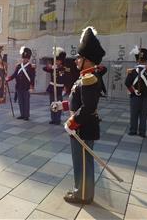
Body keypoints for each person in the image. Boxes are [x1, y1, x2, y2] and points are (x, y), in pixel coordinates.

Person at [53, 26, 105, 204]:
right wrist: (63, 105)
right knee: (82, 161)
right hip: (82, 126)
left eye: (79, 58)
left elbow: (88, 107)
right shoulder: (85, 76)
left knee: (82, 162)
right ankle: (82, 191)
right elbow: (79, 102)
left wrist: (72, 122)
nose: (76, 61)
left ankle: (82, 195)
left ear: (88, 60)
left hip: (83, 127)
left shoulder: (89, 78)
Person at [125, 47, 147, 138]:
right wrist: (134, 91)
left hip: (142, 97)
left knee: (139, 114)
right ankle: (137, 131)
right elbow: (127, 83)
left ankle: (138, 131)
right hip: (139, 97)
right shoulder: (135, 71)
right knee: (138, 115)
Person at [6, 47, 36, 121]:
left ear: (28, 59)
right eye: (23, 58)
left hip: (26, 87)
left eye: (25, 59)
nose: (24, 60)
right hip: (19, 87)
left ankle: (26, 115)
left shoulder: (31, 67)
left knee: (26, 102)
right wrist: (8, 79)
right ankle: (22, 114)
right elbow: (14, 75)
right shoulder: (19, 66)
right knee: (20, 102)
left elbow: (32, 77)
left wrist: (32, 86)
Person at [43, 47, 67, 125]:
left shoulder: (63, 69)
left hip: (59, 89)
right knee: (52, 104)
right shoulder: (53, 68)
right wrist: (50, 66)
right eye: (56, 60)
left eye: (58, 60)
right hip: (52, 88)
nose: (56, 62)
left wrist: (65, 88)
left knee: (59, 105)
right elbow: (44, 68)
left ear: (61, 61)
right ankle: (53, 119)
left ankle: (58, 119)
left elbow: (66, 79)